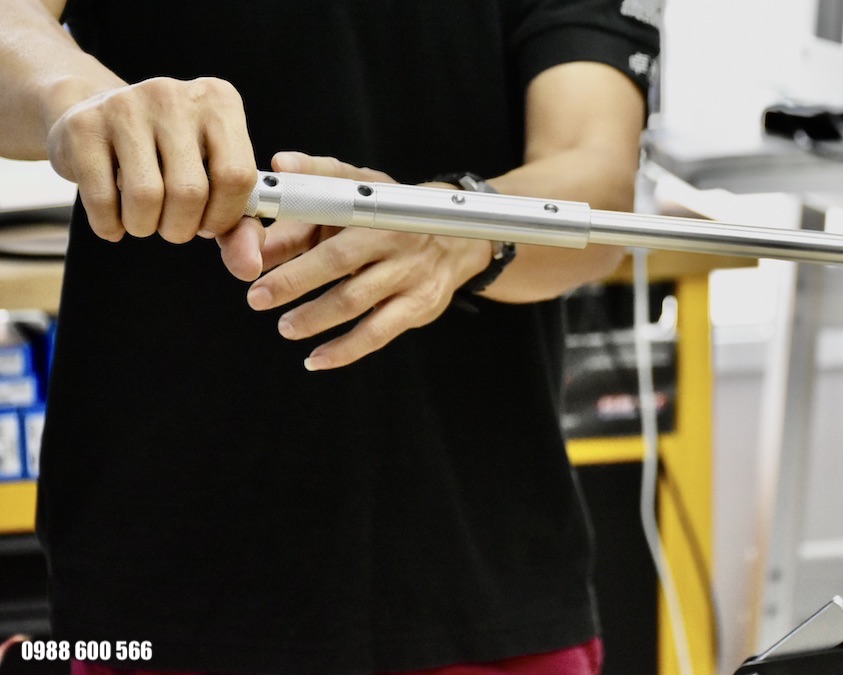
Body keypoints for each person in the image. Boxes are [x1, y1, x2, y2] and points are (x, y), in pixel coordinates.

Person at [0, 0, 660, 672]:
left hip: (484, 577)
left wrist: (458, 229)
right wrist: (87, 102)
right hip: (154, 572)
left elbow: (597, 187)